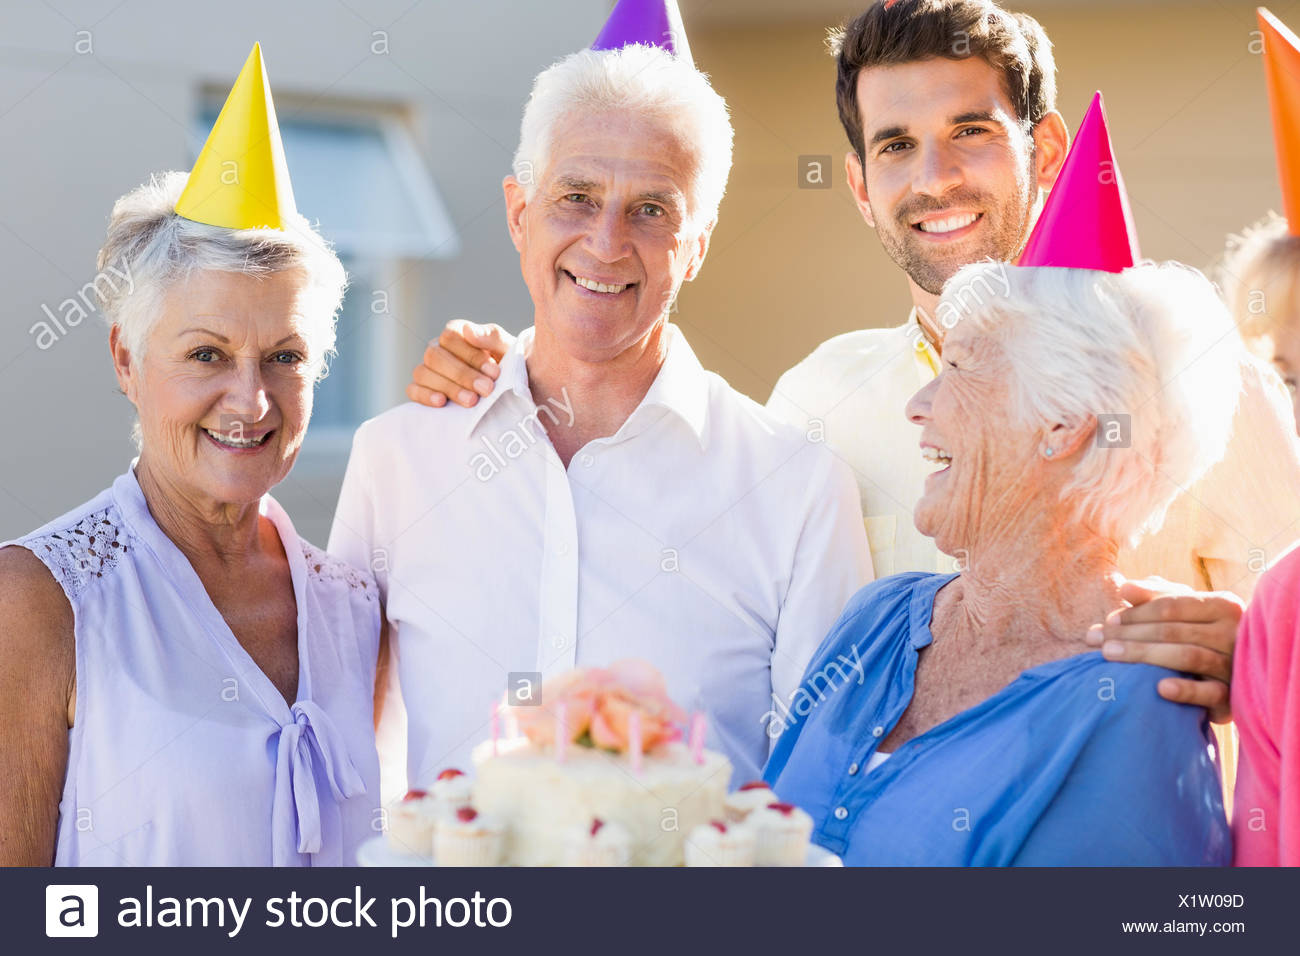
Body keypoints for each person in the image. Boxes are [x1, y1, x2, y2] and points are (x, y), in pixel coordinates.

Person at [407, 0, 1261, 719]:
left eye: (969, 130)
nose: (936, 178)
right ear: (859, 186)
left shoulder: (1205, 391)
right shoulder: (814, 402)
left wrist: (1259, 662)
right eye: (895, 145)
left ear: (1043, 151)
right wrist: (505, 373)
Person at [326, 42, 871, 790]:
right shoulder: (395, 458)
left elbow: (816, 791)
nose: (607, 242)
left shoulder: (797, 488)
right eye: (576, 197)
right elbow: (351, 751)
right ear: (520, 214)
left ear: (697, 248)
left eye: (651, 211)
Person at [0, 46, 380, 866]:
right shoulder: (36, 602)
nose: (251, 401)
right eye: (206, 355)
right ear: (127, 361)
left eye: (285, 356)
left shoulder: (356, 606)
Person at [764, 260, 1238, 865]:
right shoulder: (877, 617)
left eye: (957, 366)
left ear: (1062, 424)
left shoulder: (1139, 700)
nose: (917, 405)